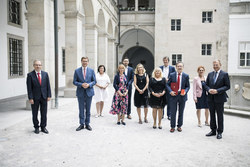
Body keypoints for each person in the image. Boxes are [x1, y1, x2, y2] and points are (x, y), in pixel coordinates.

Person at [204, 60, 230, 139]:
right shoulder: (210, 74)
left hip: (220, 98)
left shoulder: (224, 74)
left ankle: (220, 132)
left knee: (219, 115)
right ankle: (213, 130)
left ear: (220, 65)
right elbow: (206, 85)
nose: (215, 66)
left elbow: (227, 86)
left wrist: (217, 91)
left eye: (216, 64)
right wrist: (208, 90)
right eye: (214, 65)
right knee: (212, 115)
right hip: (210, 98)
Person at [26, 60, 51, 134]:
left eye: (39, 65)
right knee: (35, 113)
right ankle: (36, 127)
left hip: (44, 97)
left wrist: (49, 95)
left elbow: (48, 86)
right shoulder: (30, 75)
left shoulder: (45, 74)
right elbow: (29, 88)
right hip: (34, 98)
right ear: (33, 66)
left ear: (41, 66)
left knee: (44, 113)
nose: (38, 66)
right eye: (36, 65)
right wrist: (30, 98)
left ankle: (43, 127)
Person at [73, 57, 96, 131]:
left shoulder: (91, 71)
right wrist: (81, 84)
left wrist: (89, 84)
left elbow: (94, 81)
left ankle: (87, 124)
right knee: (81, 109)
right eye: (83, 61)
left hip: (89, 92)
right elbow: (74, 81)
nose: (84, 62)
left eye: (86, 61)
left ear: (88, 62)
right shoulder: (77, 71)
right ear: (81, 62)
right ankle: (81, 124)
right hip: (80, 92)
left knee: (88, 109)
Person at [167, 62, 190, 133]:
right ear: (176, 67)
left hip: (182, 95)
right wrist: (170, 91)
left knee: (181, 111)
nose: (179, 67)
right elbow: (167, 85)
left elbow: (188, 86)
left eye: (181, 66)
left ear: (183, 67)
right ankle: (172, 126)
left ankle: (179, 126)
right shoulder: (172, 75)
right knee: (173, 112)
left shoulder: (186, 76)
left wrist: (185, 91)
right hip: (174, 95)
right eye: (178, 66)